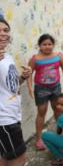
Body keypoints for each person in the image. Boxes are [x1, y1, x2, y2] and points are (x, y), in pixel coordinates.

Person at [27, 34, 63, 150]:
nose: (47, 47)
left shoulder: (58, 56)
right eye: (44, 44)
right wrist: (30, 87)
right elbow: (29, 73)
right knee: (42, 112)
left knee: (58, 110)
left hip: (55, 87)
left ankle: (60, 134)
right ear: (40, 46)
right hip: (41, 89)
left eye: (50, 44)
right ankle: (39, 139)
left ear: (53, 45)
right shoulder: (35, 59)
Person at [0, 15, 32, 166]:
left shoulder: (6, 56)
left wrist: (23, 78)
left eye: (6, 30)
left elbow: (10, 85)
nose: (3, 33)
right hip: (4, 121)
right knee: (18, 159)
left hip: (11, 115)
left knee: (6, 158)